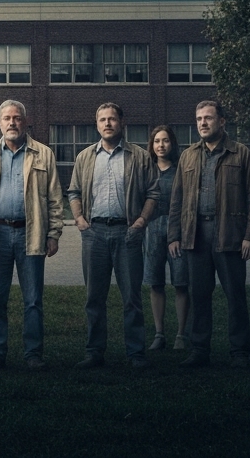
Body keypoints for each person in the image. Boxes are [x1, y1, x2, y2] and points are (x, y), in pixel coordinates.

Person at [0, 99, 63, 371]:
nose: (12, 122)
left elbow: (56, 199)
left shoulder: (43, 154)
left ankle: (33, 354)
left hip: (30, 235)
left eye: (17, 118)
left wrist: (54, 233)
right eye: (7, 118)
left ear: (25, 121)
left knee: (33, 300)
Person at [168, 99, 250, 369]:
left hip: (230, 234)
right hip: (195, 234)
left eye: (208, 118)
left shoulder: (240, 153)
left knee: (235, 295)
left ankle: (240, 352)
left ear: (222, 121)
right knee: (199, 295)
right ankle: (199, 350)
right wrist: (174, 235)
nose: (203, 123)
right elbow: (177, 200)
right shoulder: (188, 155)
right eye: (199, 119)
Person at [67, 102, 159, 370]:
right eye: (102, 120)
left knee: (131, 297)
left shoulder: (140, 156)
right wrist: (80, 219)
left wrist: (141, 221)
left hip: (127, 233)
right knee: (94, 297)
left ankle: (136, 353)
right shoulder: (85, 157)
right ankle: (94, 351)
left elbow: (154, 193)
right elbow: (73, 191)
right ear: (97, 124)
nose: (107, 123)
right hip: (93, 233)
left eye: (112, 119)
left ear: (122, 122)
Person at [143, 125, 190, 351]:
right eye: (157, 141)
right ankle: (159, 334)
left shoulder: (180, 170)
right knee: (155, 283)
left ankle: (181, 335)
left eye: (165, 141)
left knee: (181, 283)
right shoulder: (147, 171)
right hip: (151, 231)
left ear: (172, 144)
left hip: (176, 233)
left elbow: (185, 205)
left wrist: (178, 235)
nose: (161, 145)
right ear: (151, 146)